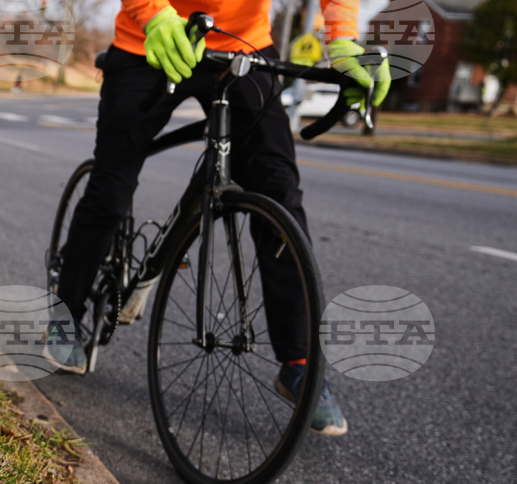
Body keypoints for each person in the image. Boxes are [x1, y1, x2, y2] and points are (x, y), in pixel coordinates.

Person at [48, 0, 390, 436]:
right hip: (148, 43)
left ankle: (299, 362)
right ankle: (66, 312)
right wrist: (154, 16)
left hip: (244, 47)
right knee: (111, 186)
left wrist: (342, 40)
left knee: (279, 192)